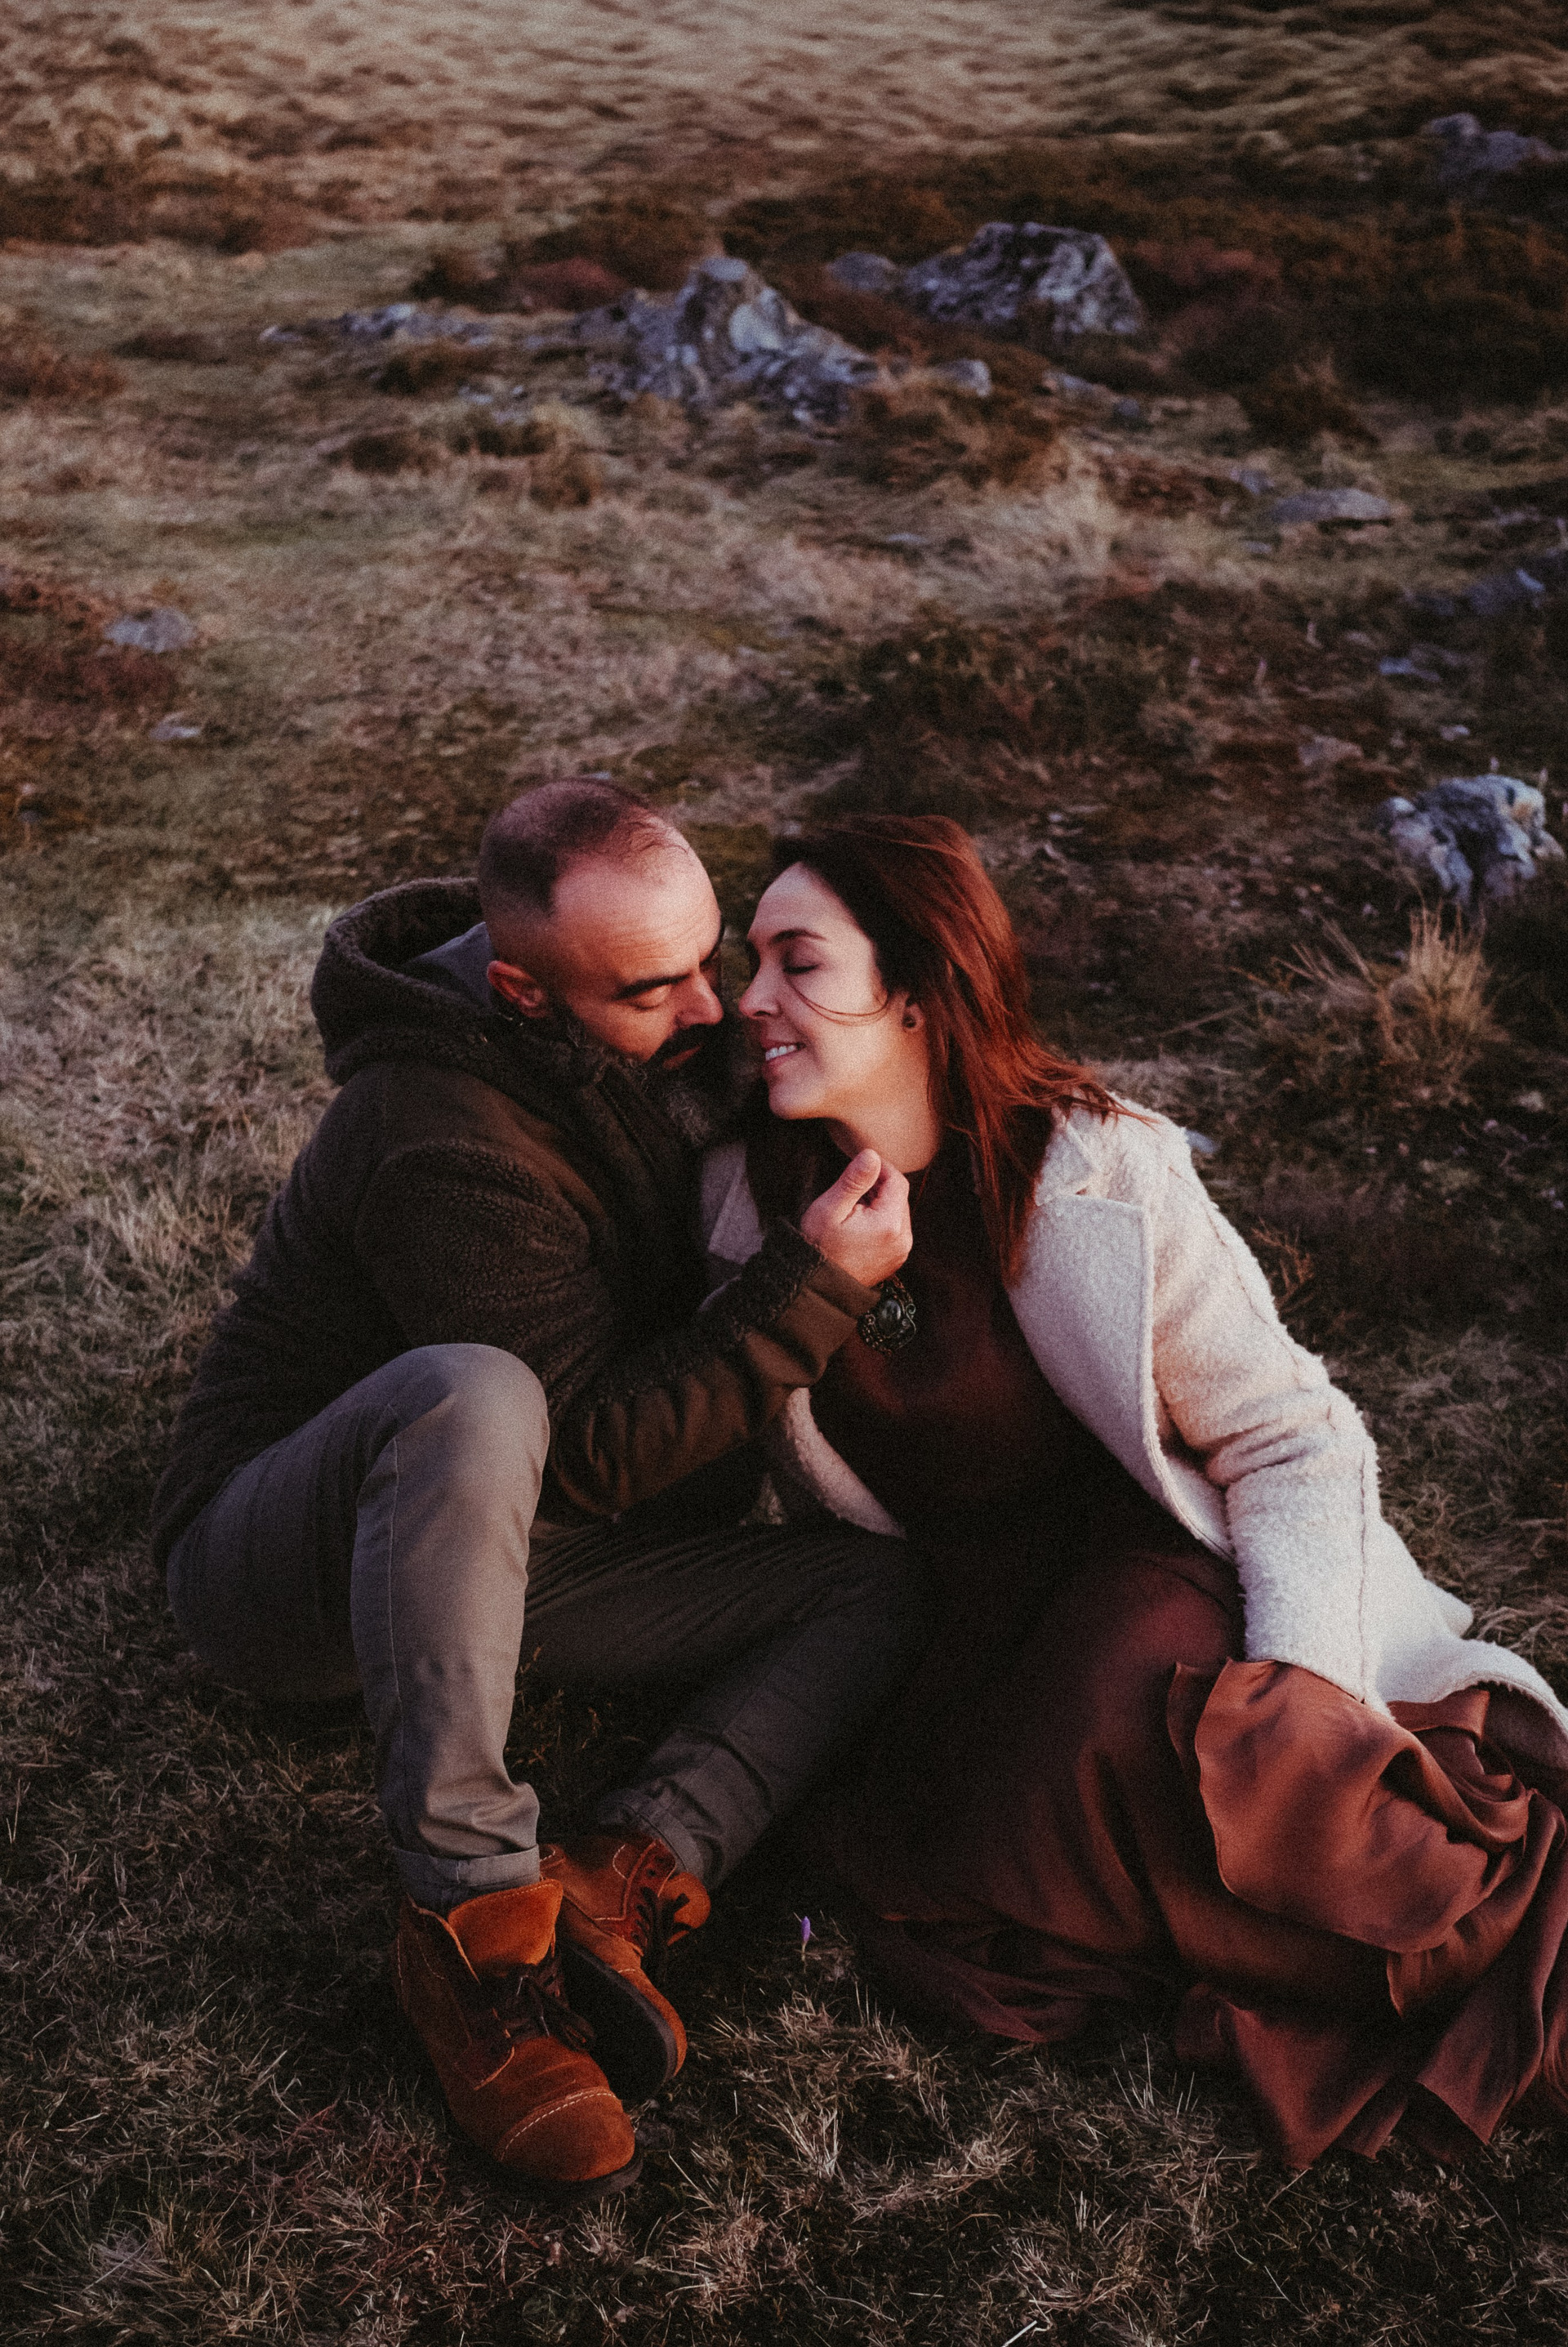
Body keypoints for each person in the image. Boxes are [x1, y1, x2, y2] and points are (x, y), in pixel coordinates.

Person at [701, 810, 1568, 2168]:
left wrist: (1305, 1686)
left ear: (919, 993)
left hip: (1162, 1585)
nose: (749, 997)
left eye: (796, 963)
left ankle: (1452, 1946)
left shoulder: (1097, 1168)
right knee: (930, 1873)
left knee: (1145, 1711)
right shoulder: (740, 1203)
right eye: (748, 961)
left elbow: (1293, 1433)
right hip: (955, 1634)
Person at [152, 779, 924, 2201]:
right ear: (520, 992)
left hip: (513, 1542)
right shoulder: (431, 1131)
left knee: (871, 1585)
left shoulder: (610, 1019)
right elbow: (584, 1456)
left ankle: (624, 1866)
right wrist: (811, 1290)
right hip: (289, 1570)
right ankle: (470, 1928)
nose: (709, 1008)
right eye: (655, 988)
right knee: (478, 1394)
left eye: (708, 958)